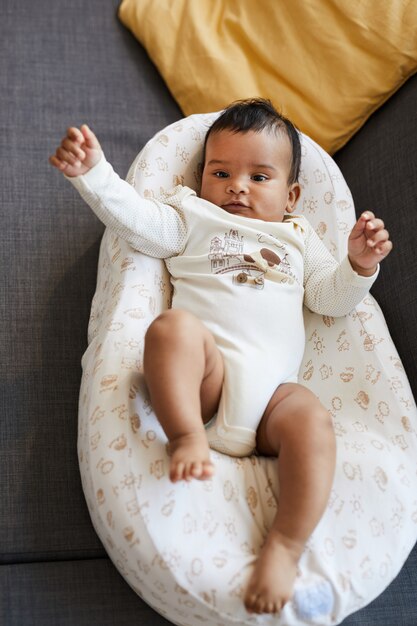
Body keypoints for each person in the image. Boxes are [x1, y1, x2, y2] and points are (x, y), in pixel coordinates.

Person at [49, 99, 392, 615]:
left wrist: (359, 264)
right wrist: (94, 174)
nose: (238, 186)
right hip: (206, 382)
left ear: (291, 195)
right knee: (170, 330)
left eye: (259, 176)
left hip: (274, 399)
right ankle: (187, 436)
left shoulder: (298, 238)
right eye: (222, 171)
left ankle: (285, 545)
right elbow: (136, 219)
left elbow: (330, 299)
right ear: (202, 177)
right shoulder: (192, 215)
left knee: (315, 424)